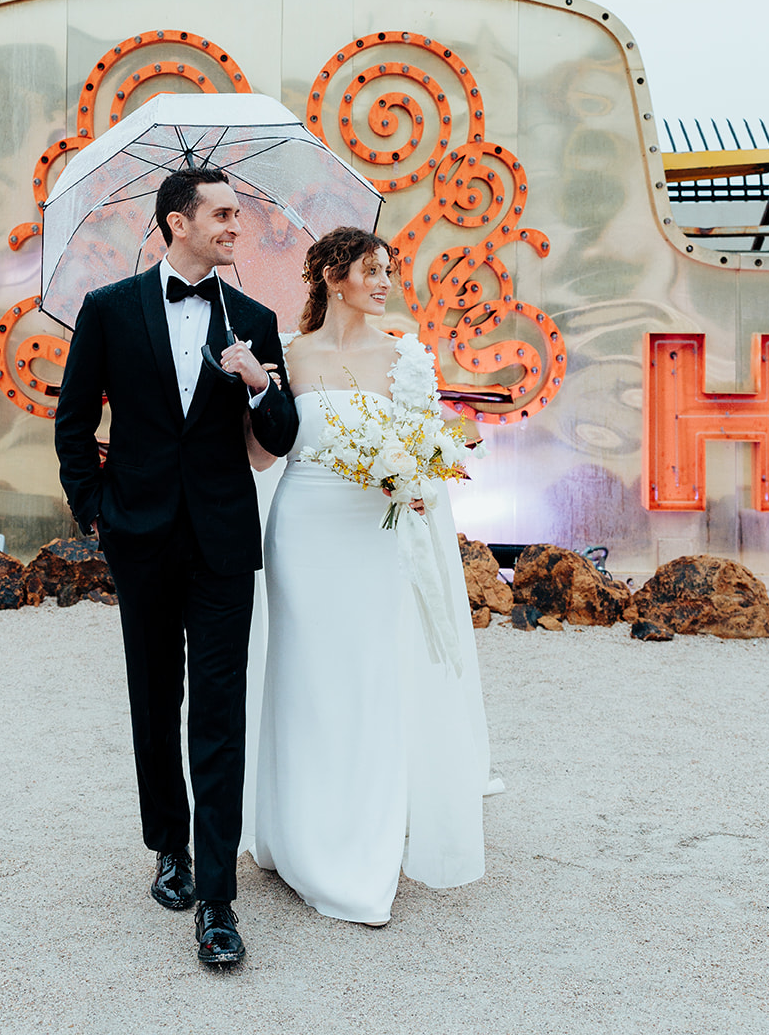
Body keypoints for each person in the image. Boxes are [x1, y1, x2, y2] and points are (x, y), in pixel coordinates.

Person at [54, 167, 298, 967]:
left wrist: (259, 381)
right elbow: (74, 418)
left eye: (239, 213)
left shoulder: (255, 318)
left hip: (225, 541)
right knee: (155, 695)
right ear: (176, 223)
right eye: (223, 213)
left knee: (219, 712)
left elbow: (285, 434)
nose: (237, 225)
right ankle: (168, 845)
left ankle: (218, 899)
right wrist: (96, 508)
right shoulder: (109, 310)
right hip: (141, 533)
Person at [248, 226, 491, 925]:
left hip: (375, 537)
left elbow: (428, 445)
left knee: (370, 679)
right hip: (302, 532)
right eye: (372, 270)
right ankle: (297, 835)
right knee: (306, 680)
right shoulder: (288, 357)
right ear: (332, 276)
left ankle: (362, 844)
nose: (384, 283)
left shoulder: (404, 357)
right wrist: (254, 393)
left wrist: (421, 471)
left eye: (388, 271)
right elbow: (262, 458)